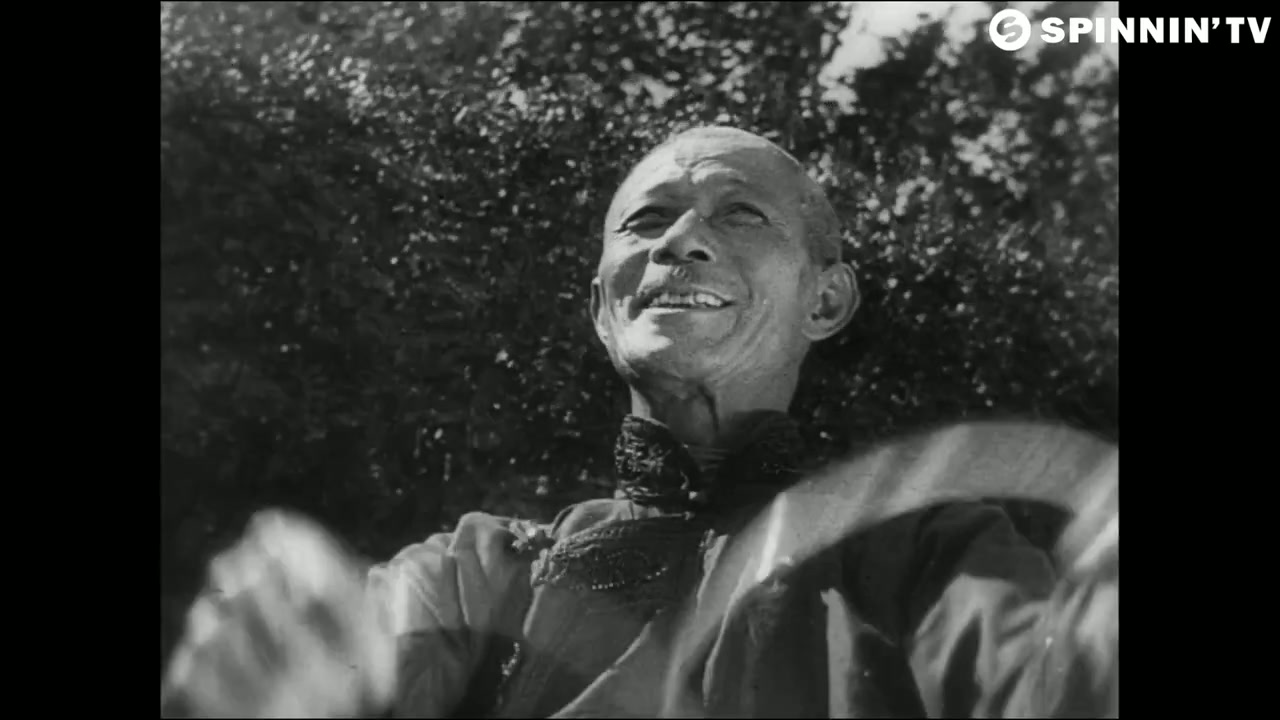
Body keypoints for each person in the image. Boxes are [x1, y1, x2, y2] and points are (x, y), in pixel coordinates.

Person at [160, 126, 1119, 718]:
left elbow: (1045, 687)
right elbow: (360, 669)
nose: (680, 240)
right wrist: (284, 678)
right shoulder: (476, 571)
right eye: (646, 221)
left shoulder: (930, 554)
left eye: (742, 215)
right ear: (602, 307)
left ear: (826, 301)